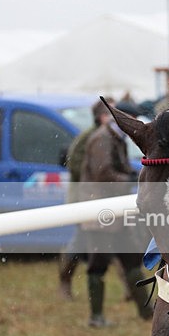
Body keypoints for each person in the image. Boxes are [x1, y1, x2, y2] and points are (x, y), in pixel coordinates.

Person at [79, 105, 152, 327]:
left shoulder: (113, 137)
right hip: (100, 212)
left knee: (131, 261)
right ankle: (96, 317)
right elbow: (104, 174)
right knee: (97, 266)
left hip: (115, 213)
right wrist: (130, 179)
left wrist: (130, 173)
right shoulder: (102, 138)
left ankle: (146, 311)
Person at [58, 99, 104, 299]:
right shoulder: (88, 138)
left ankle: (131, 288)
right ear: (101, 116)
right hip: (83, 199)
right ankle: (64, 280)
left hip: (97, 198)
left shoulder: (102, 136)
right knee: (79, 243)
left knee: (113, 242)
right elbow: (74, 165)